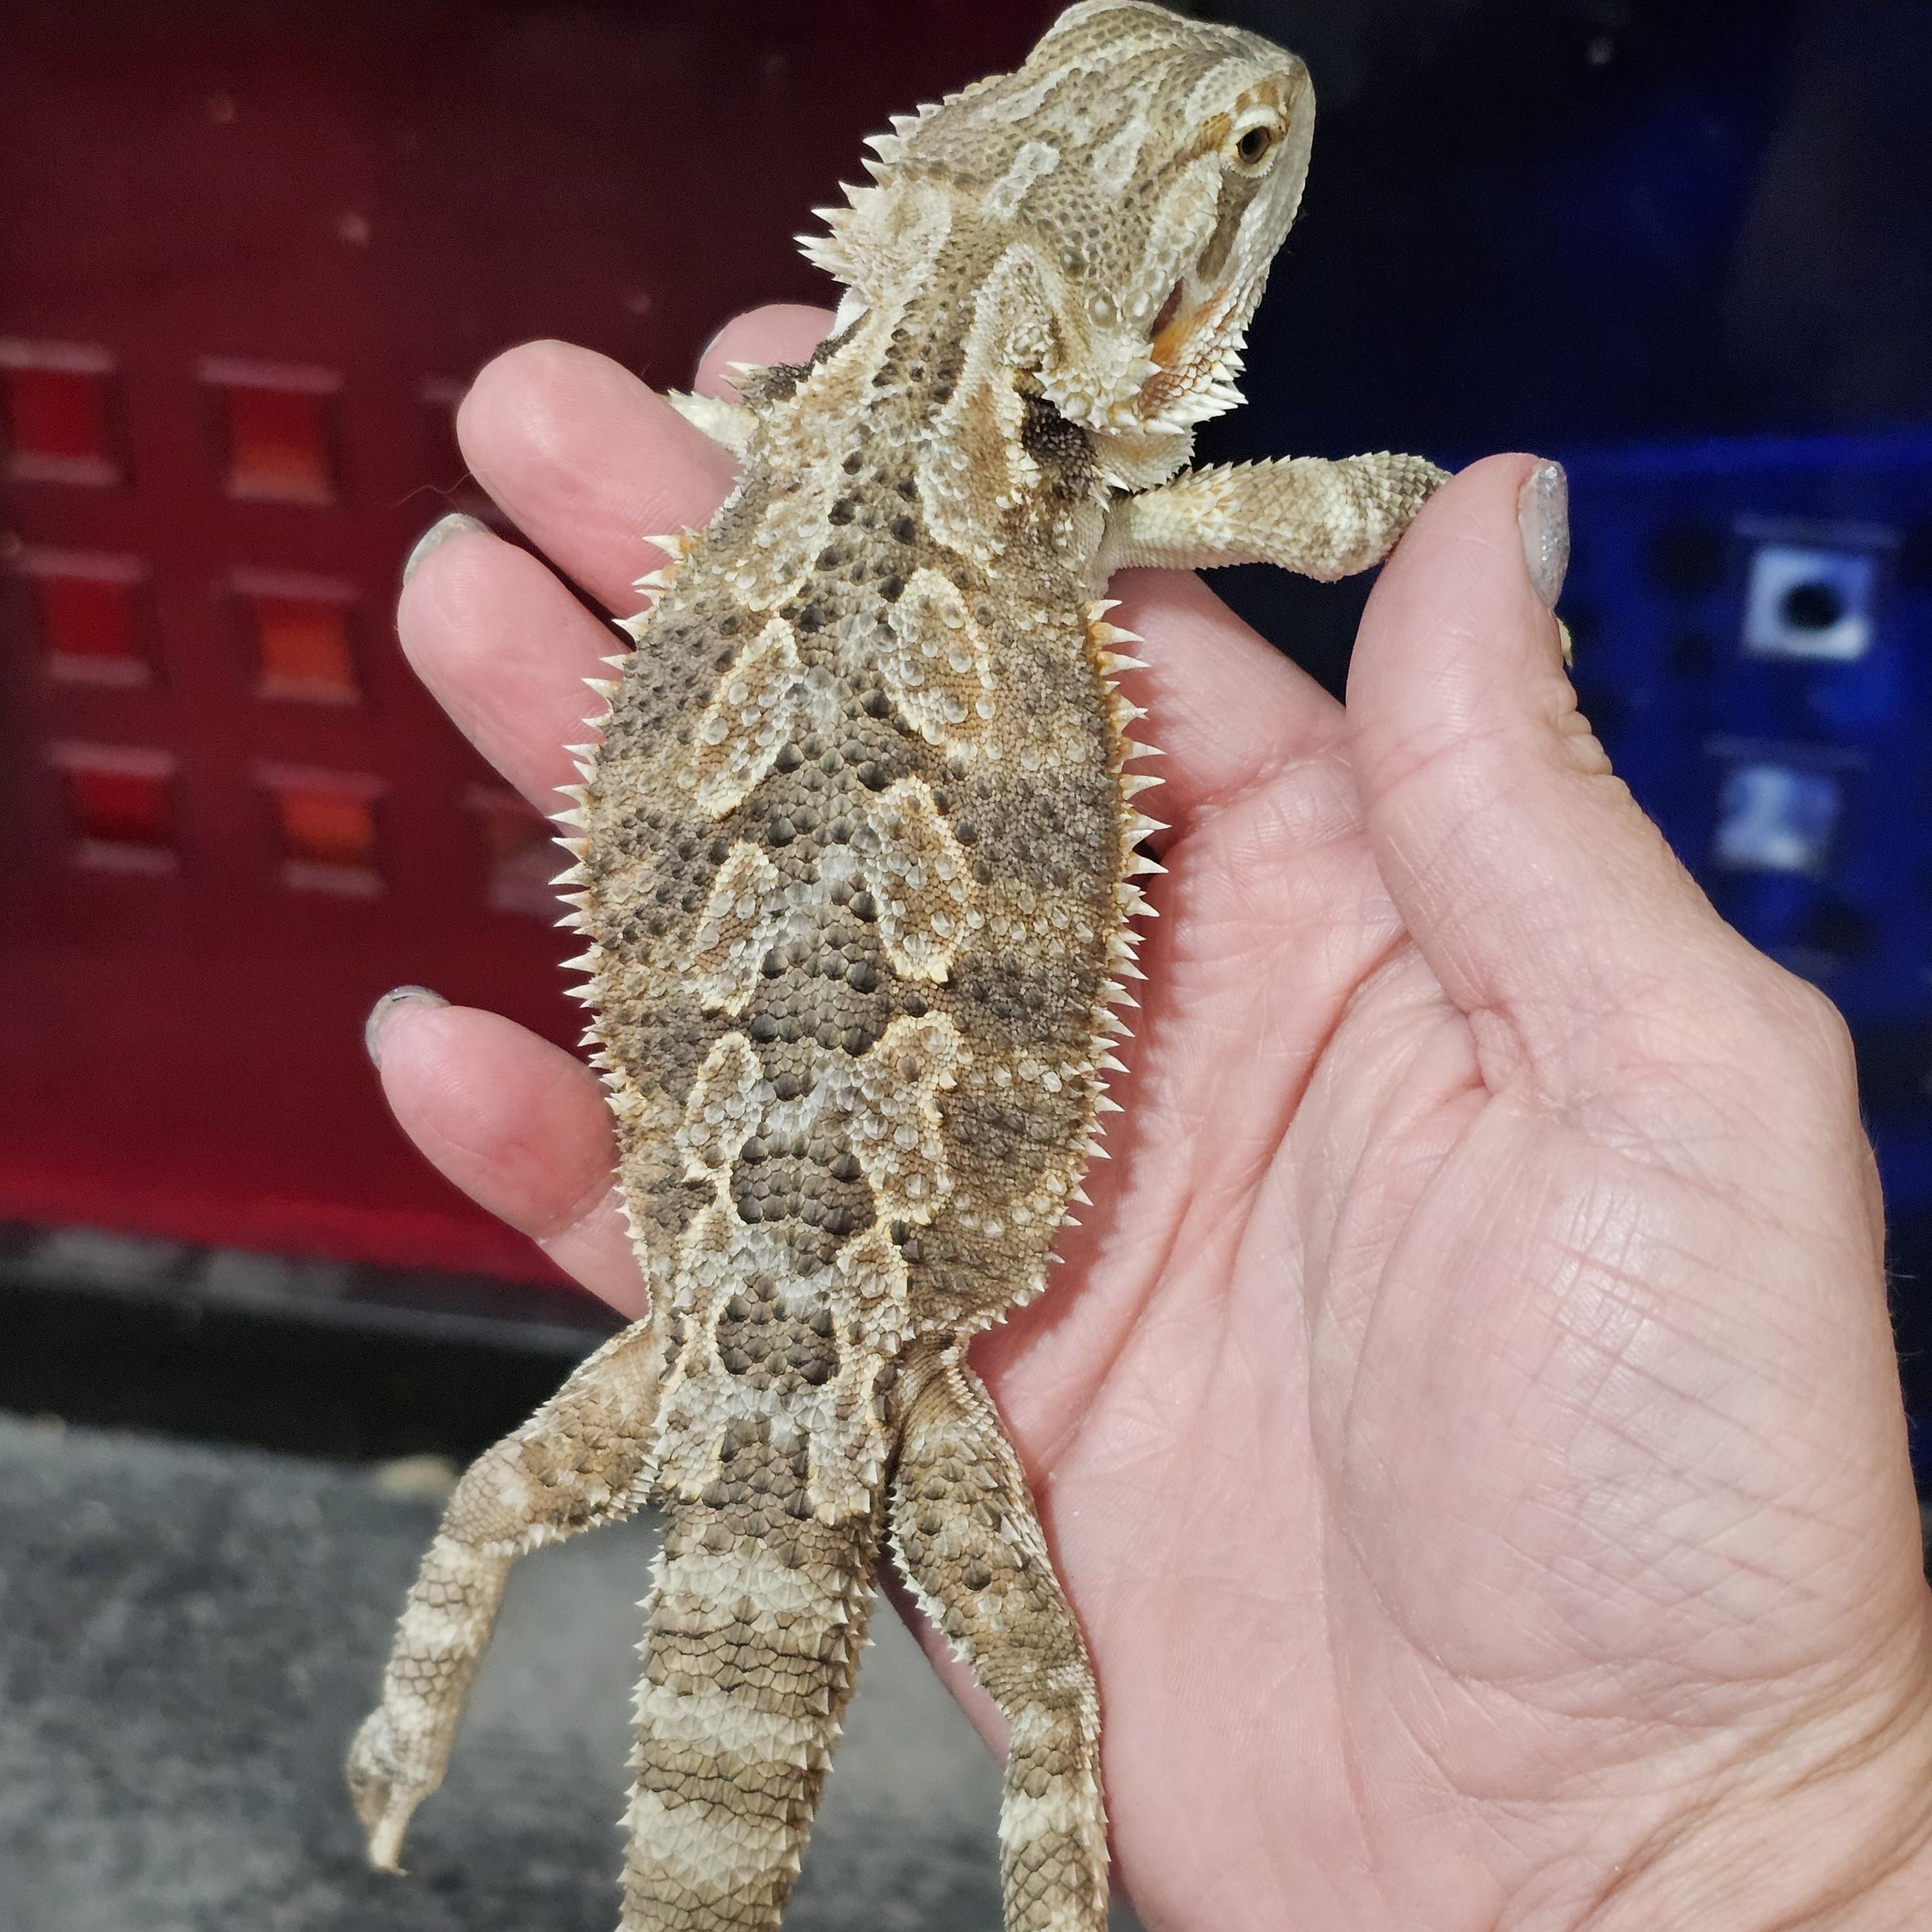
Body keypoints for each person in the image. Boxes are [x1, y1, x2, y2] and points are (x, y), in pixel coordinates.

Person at [364, 307, 1932, 1929]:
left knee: (510, 1526)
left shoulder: (848, 446)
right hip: (777, 1300)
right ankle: (410, 1732)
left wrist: (1752, 1847)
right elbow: (1346, 509)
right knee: (1043, 1722)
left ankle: (405, 1737)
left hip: (775, 1310)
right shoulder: (923, 463)